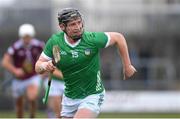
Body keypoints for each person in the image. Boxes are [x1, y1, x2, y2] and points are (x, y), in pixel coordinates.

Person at [35, 8, 137, 118]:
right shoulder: (55, 42)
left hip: (92, 95)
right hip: (70, 97)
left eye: (79, 22)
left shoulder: (92, 39)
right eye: (73, 24)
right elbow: (38, 66)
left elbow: (119, 38)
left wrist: (127, 66)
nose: (78, 27)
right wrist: (45, 65)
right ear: (62, 27)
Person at [1, 24, 44, 118]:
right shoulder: (15, 47)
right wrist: (15, 70)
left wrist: (42, 68)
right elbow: (5, 62)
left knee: (32, 97)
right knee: (19, 105)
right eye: (25, 37)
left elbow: (46, 56)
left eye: (28, 36)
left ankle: (32, 116)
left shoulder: (38, 45)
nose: (27, 39)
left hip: (33, 76)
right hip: (18, 79)